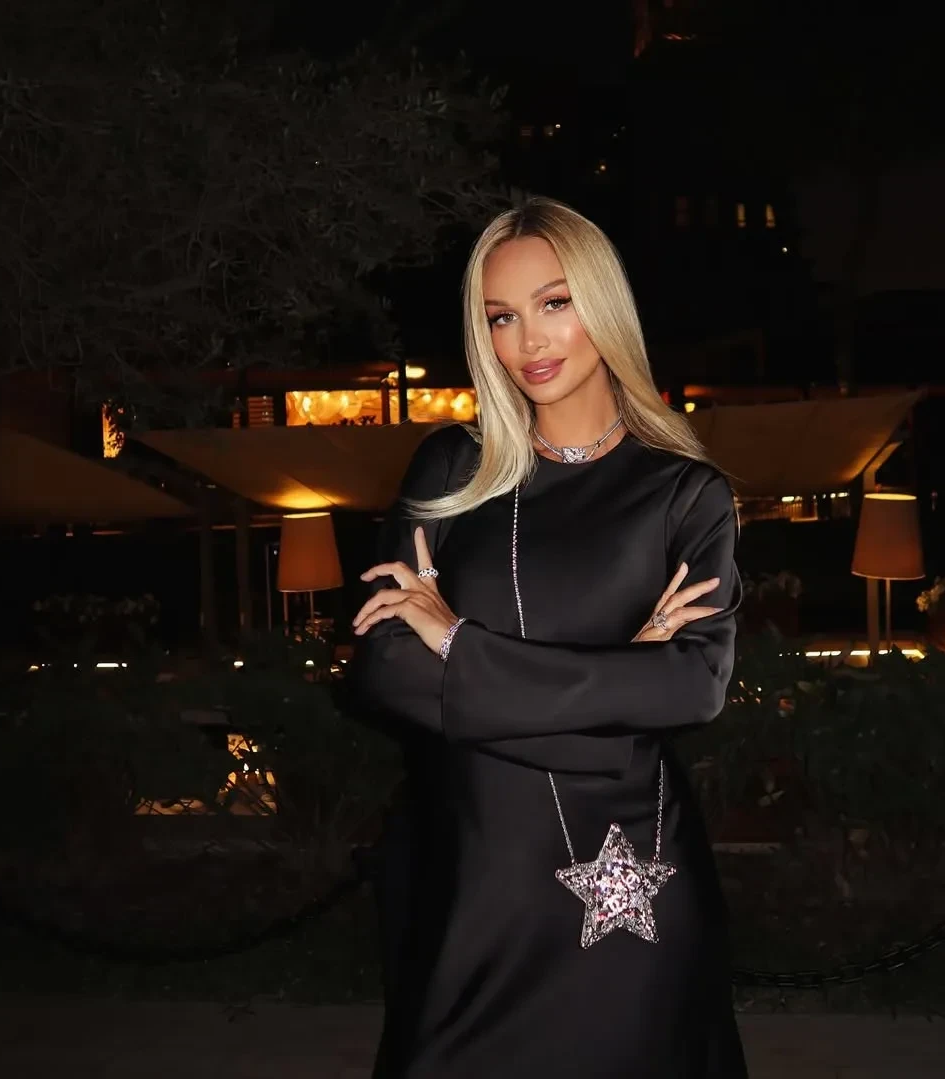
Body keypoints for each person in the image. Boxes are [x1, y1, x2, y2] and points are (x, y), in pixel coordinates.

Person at [351, 197, 747, 1078]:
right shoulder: (453, 471)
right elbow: (385, 669)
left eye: (554, 303)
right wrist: (618, 704)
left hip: (635, 884)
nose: (528, 338)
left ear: (603, 302)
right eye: (502, 316)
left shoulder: (686, 495)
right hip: (472, 889)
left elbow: (692, 686)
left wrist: (458, 644)